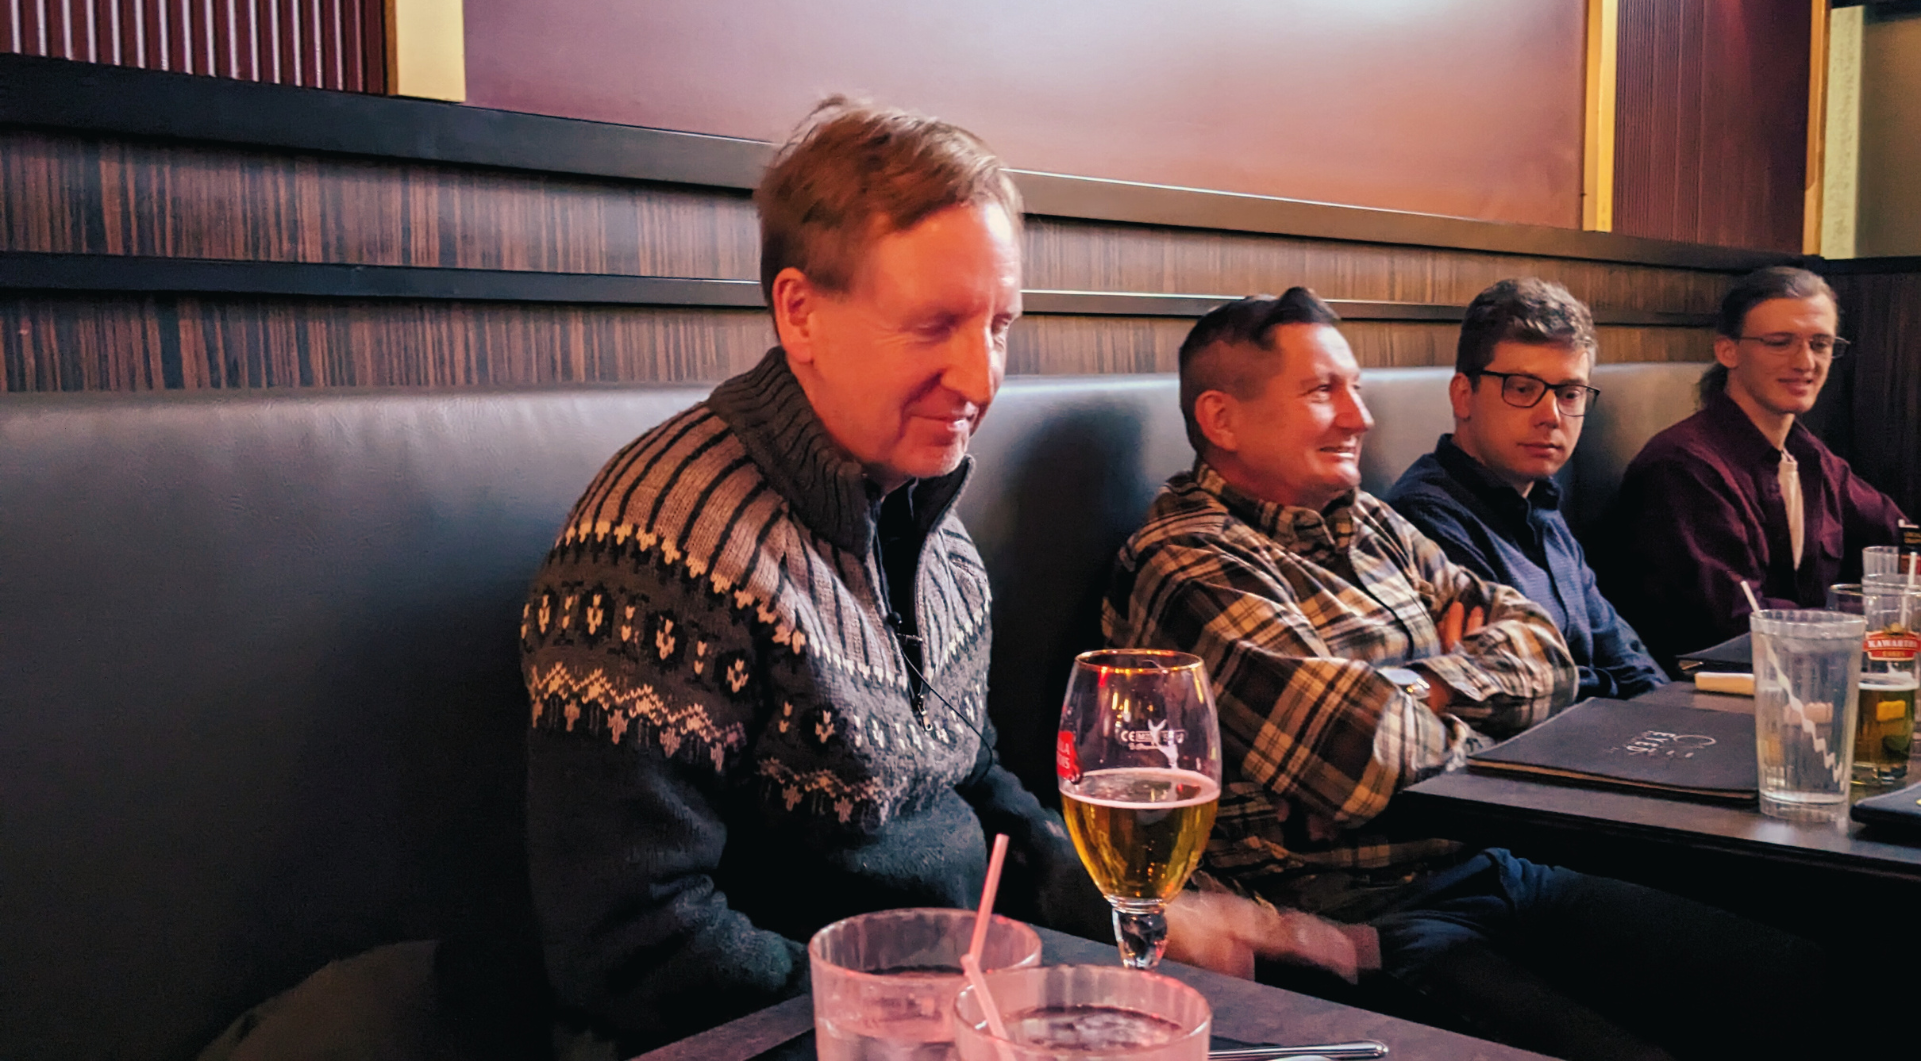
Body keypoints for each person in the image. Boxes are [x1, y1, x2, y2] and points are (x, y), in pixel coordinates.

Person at [1105, 288, 1826, 1061]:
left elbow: (1545, 652)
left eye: (1356, 387)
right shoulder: (1187, 561)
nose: (1359, 416)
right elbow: (1368, 756)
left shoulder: (1369, 520)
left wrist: (1419, 687)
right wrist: (1474, 712)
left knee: (1818, 987)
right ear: (1221, 419)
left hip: (1497, 864)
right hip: (1358, 924)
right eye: (1322, 391)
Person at [1596, 266, 1907, 671]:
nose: (1806, 362)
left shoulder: (1809, 455)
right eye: (1780, 343)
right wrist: (1864, 627)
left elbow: (1902, 538)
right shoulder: (1682, 467)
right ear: (1728, 351)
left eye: (1820, 344)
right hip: (1707, 692)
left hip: (1807, 679)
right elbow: (1739, 628)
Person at [1387, 279, 1665, 701]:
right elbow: (1526, 685)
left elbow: (1624, 653)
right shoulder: (1423, 517)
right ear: (1463, 396)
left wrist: (1669, 709)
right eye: (1522, 388)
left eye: (1569, 393)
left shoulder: (1539, 500)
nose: (1551, 416)